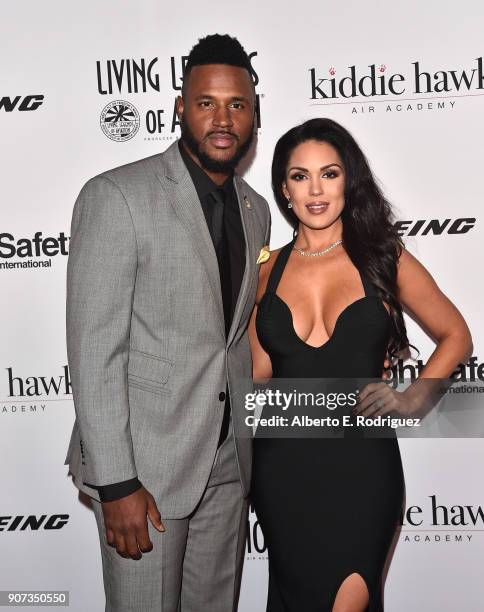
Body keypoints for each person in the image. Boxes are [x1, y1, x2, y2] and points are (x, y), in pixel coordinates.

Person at [64, 34, 271, 611]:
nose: (223, 119)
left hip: (229, 466)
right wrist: (116, 483)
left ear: (255, 113)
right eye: (206, 103)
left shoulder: (257, 210)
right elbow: (94, 350)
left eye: (238, 104)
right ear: (180, 108)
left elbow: (233, 340)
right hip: (145, 471)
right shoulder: (117, 196)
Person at [248, 118, 472, 611]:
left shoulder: (383, 258)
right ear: (284, 190)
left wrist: (412, 396)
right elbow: (255, 372)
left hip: (362, 472)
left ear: (348, 179)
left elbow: (456, 335)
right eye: (299, 176)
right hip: (283, 469)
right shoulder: (265, 270)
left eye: (328, 174)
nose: (315, 190)